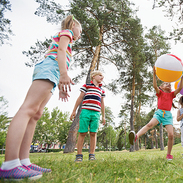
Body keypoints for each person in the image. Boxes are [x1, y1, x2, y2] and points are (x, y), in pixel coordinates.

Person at [0, 15, 82, 181]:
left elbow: (61, 58)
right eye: (80, 29)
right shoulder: (67, 33)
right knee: (29, 109)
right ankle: (9, 164)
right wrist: (64, 75)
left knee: (36, 114)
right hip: (49, 68)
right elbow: (59, 52)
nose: (81, 33)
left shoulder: (69, 39)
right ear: (73, 25)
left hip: (53, 71)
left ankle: (24, 162)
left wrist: (60, 84)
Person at [129, 66, 183, 160]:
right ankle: (135, 136)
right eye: (166, 84)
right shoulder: (160, 93)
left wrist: (182, 77)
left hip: (168, 115)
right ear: (161, 87)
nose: (169, 85)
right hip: (159, 113)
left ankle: (169, 154)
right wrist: (154, 74)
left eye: (170, 84)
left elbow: (180, 87)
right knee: (149, 124)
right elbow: (154, 86)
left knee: (171, 135)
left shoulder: (171, 95)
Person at [70, 71, 106, 162]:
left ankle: (92, 154)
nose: (102, 77)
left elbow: (102, 103)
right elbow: (80, 98)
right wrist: (74, 111)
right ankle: (79, 155)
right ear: (93, 76)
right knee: (82, 132)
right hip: (85, 112)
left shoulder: (101, 90)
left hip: (96, 113)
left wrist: (103, 116)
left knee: (93, 133)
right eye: (100, 75)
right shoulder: (86, 86)